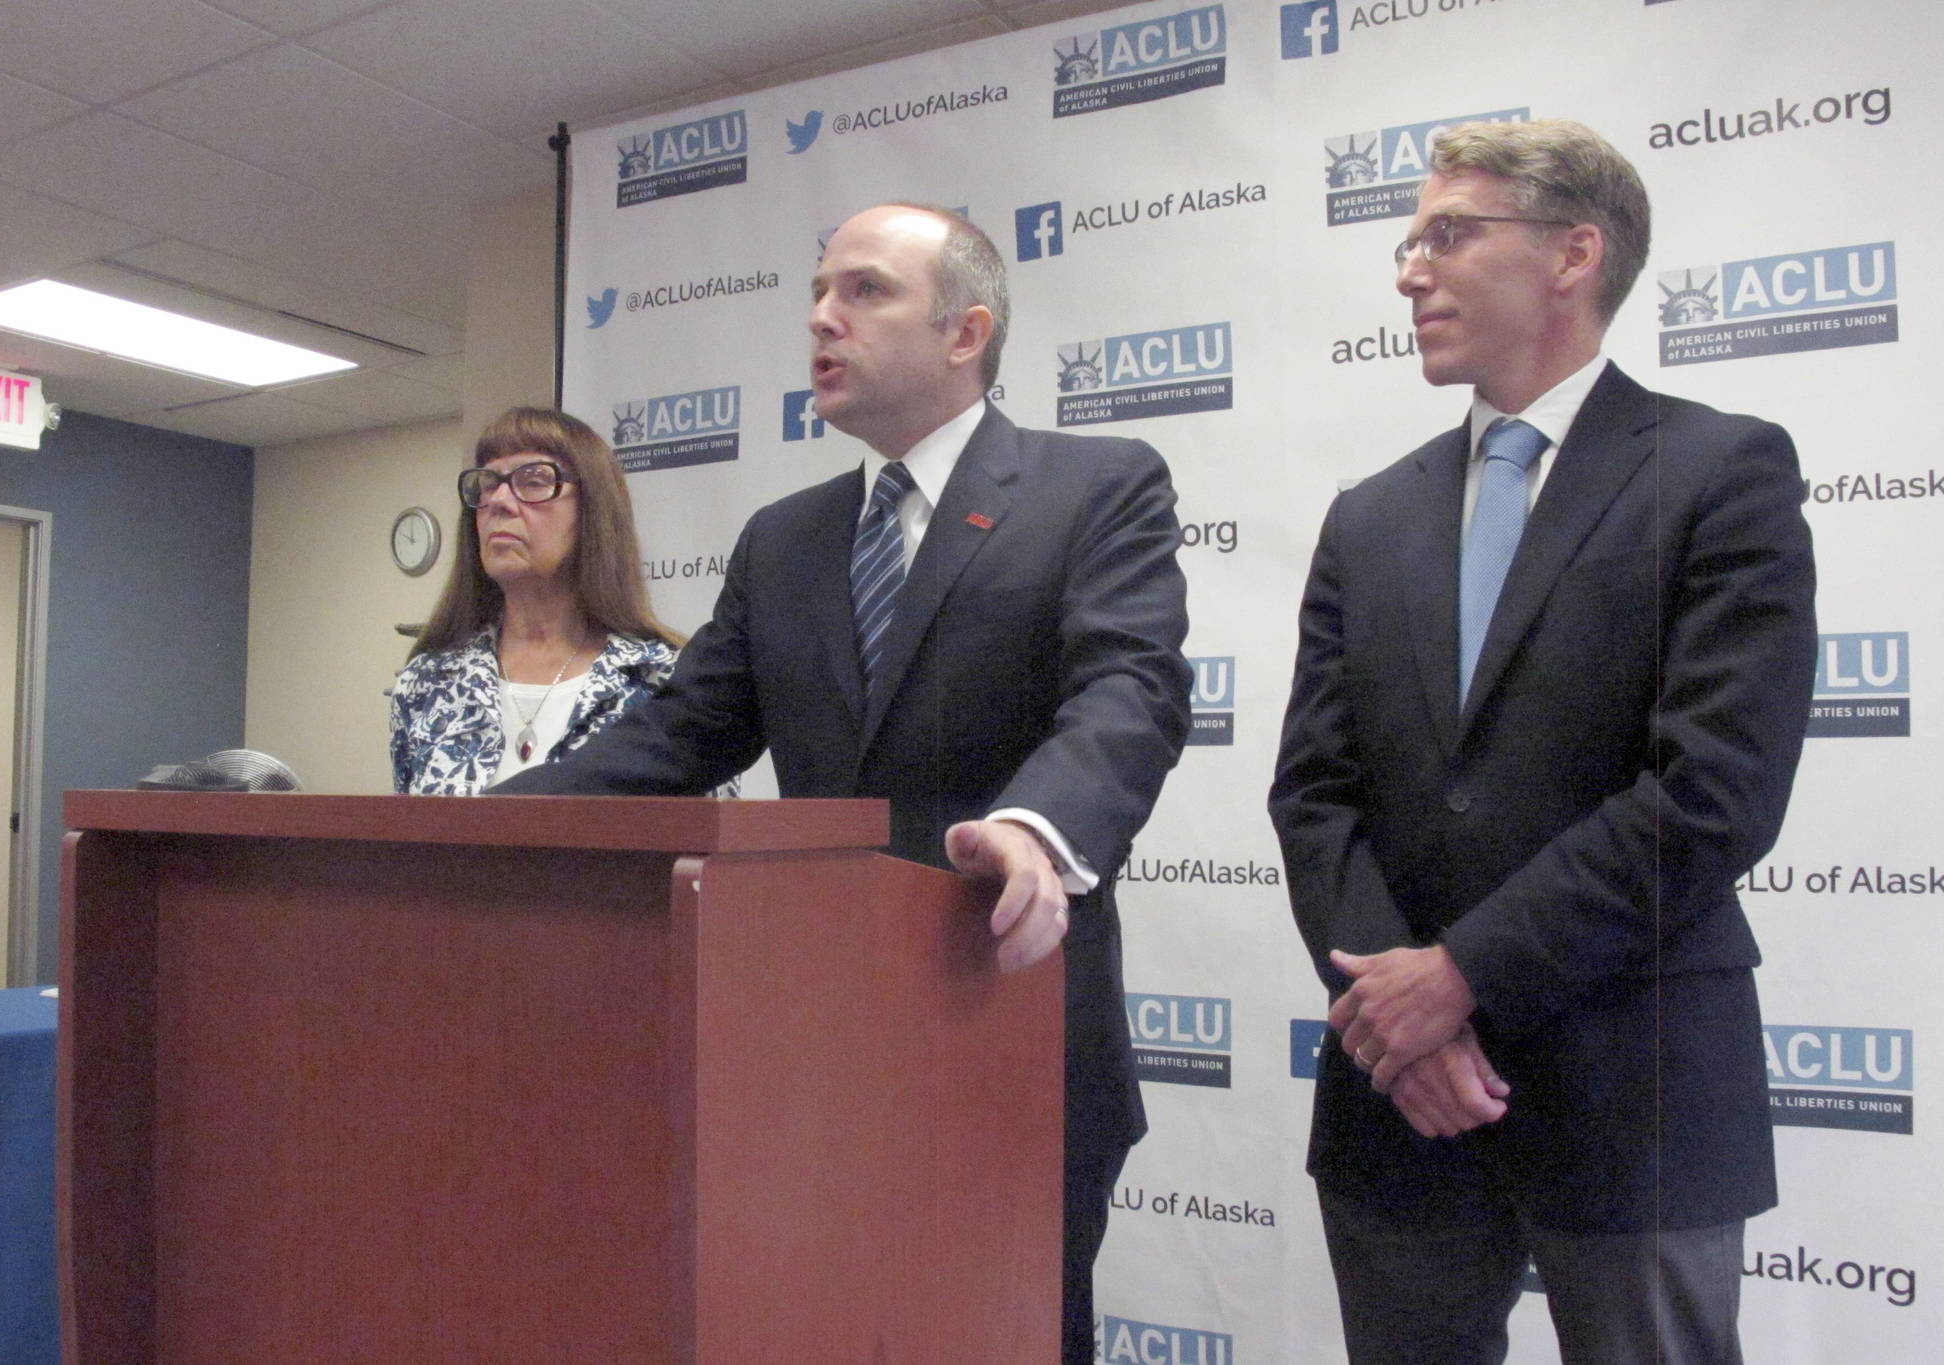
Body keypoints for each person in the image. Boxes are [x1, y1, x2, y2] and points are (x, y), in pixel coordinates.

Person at [493, 203, 1191, 1363]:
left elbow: (1131, 691)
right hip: (809, 1051)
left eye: (863, 291)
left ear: (965, 331)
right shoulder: (785, 538)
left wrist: (1034, 826)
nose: (822, 315)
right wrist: (477, 825)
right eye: (817, 290)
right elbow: (679, 735)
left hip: (1005, 1029)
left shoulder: (1095, 487)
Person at [1268, 120, 1815, 1364]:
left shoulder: (1718, 469)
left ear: (1573, 253)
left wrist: (1455, 979)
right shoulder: (1368, 517)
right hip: (1394, 1099)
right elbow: (1313, 793)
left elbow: (1714, 789)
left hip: (1634, 1085)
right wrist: (1390, 1012)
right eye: (1409, 242)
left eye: (1447, 235)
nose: (1410, 271)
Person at [391, 407, 690, 795]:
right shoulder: (427, 683)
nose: (499, 501)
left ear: (592, 511)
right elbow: (409, 848)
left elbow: (704, 843)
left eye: (533, 481)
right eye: (487, 483)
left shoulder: (663, 679)